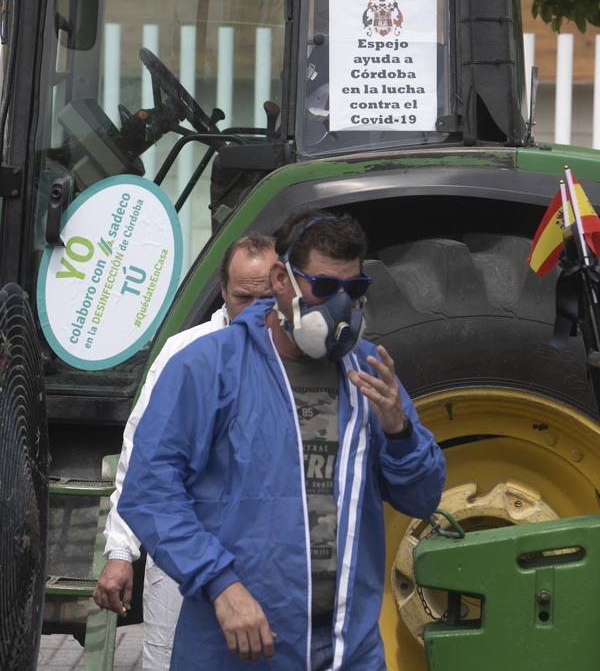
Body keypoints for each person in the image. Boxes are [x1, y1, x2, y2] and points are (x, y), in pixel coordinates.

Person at [119, 211, 446, 670]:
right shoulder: (208, 367)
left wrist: (400, 432)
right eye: (326, 289)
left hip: (345, 650)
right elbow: (150, 493)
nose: (342, 308)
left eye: (354, 292)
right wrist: (221, 584)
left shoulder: (369, 372)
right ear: (281, 280)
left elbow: (423, 498)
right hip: (237, 651)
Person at [92, 234, 277, 671]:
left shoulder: (300, 364)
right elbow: (141, 458)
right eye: (242, 297)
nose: (253, 311)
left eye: (265, 299)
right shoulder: (185, 355)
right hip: (183, 555)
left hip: (267, 557)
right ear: (223, 292)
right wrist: (121, 551)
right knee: (171, 659)